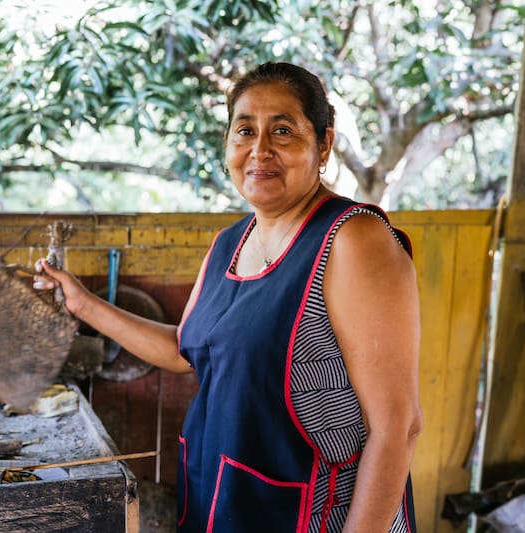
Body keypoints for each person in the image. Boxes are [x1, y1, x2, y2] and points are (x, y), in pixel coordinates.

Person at [34, 61, 423, 533]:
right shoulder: (228, 245)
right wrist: (80, 303)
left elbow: (397, 428)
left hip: (320, 515)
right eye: (245, 131)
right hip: (224, 500)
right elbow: (185, 349)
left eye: (282, 131)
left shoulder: (353, 237)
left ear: (323, 144)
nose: (260, 150)